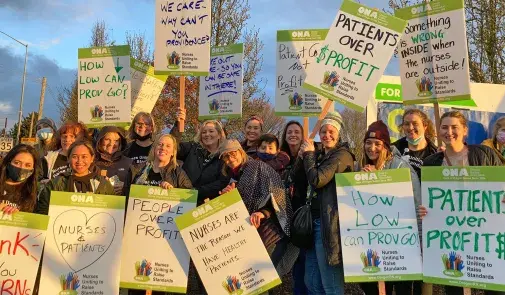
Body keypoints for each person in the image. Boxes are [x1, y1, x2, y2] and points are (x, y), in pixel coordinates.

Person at [419, 111, 503, 295]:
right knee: (456, 287)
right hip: (452, 238)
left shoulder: (484, 154)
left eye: (454, 127)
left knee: (494, 287)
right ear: (438, 131)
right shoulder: (431, 163)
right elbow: (429, 200)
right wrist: (425, 211)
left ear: (465, 130)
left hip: (484, 236)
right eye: (444, 127)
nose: (449, 132)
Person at [358, 121, 422, 295]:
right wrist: (361, 182)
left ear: (386, 145)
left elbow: (414, 203)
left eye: (378, 144)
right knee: (373, 289)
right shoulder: (360, 167)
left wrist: (376, 181)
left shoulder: (402, 167)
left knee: (401, 289)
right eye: (368, 143)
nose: (372, 148)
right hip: (370, 242)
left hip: (400, 244)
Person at [123, 134, 191, 295]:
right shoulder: (137, 170)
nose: (163, 148)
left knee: (159, 285)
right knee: (137, 280)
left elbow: (190, 197)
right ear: (154, 148)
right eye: (160, 144)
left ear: (173, 152)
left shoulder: (178, 174)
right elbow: (126, 197)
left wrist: (174, 193)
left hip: (164, 237)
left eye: (168, 146)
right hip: (139, 234)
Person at [218, 139, 296, 276]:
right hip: (252, 231)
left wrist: (263, 213)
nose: (230, 158)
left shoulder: (257, 167)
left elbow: (278, 196)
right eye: (226, 156)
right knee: (254, 277)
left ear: (241, 152)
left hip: (271, 230)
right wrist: (230, 197)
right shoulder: (234, 175)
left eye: (233, 153)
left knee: (261, 277)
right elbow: (245, 203)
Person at [298, 111, 355, 295]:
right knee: (312, 281)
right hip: (315, 223)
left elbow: (318, 179)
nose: (327, 135)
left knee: (331, 285)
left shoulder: (342, 155)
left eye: (332, 131)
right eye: (323, 131)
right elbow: (300, 179)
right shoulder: (321, 155)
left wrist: (308, 156)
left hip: (329, 225)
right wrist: (304, 157)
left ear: (339, 134)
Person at [35, 140, 114, 215]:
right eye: (75, 157)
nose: (79, 161)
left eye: (84, 157)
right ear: (68, 159)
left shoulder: (103, 184)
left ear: (91, 158)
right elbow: (43, 210)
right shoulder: (56, 184)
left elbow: (114, 211)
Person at [170, 116, 230, 205]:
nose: (207, 134)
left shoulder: (226, 155)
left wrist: (196, 192)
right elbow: (172, 146)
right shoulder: (192, 148)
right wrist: (178, 124)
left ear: (219, 135)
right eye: (204, 132)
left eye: (211, 131)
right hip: (182, 201)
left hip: (208, 205)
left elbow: (222, 182)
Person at [279, 121, 309, 295]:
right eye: (289, 131)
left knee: (304, 263)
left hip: (302, 218)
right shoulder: (280, 158)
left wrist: (306, 156)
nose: (293, 134)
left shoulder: (309, 156)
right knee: (292, 264)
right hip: (283, 217)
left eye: (297, 131)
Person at [392, 109, 438, 177]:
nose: (410, 128)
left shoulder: (435, 153)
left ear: (425, 126)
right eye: (407, 124)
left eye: (415, 123)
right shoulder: (393, 149)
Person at [0, 144, 39, 214]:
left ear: (33, 169)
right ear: (8, 162)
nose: (21, 168)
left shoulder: (34, 191)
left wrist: (19, 216)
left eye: (28, 165)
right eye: (17, 163)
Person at [94, 126, 133, 195]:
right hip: (97, 203)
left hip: (120, 204)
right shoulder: (91, 162)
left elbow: (137, 188)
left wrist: (125, 188)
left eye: (116, 140)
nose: (111, 143)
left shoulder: (129, 163)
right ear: (100, 141)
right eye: (107, 139)